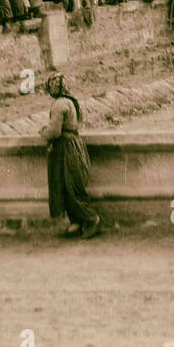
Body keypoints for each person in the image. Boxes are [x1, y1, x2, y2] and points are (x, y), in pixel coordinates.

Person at [40, 73, 101, 239]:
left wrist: (43, 132)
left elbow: (54, 131)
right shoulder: (71, 101)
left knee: (70, 187)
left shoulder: (59, 105)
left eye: (51, 86)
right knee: (68, 186)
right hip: (72, 144)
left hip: (65, 148)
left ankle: (91, 220)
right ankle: (77, 221)